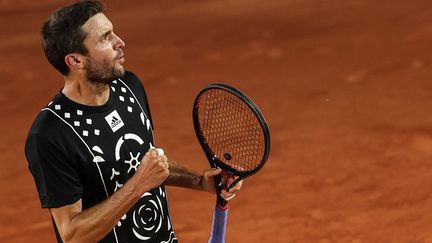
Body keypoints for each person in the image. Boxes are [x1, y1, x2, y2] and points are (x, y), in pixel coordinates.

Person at [24, 1, 242, 242]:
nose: (120, 42)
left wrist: (199, 181)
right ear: (75, 61)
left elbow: (146, 161)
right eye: (105, 38)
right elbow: (72, 234)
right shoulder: (51, 135)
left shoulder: (129, 86)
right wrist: (138, 185)